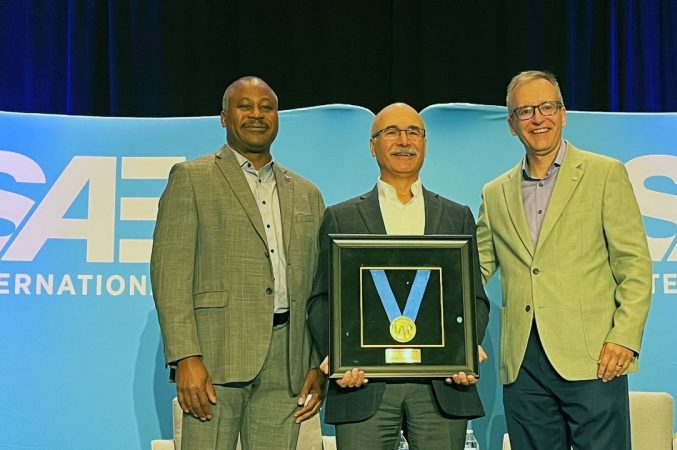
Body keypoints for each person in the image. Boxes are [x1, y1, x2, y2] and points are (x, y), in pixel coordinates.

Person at [476, 70, 652, 449]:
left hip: (593, 357)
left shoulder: (605, 174)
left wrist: (624, 337)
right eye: (525, 111)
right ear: (511, 125)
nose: (538, 118)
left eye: (547, 107)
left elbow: (634, 265)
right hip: (522, 364)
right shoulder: (495, 194)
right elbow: (472, 271)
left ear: (563, 113)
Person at [151, 76, 325, 450]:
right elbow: (170, 276)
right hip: (215, 356)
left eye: (266, 107)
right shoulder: (191, 178)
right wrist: (185, 356)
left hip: (289, 362)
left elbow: (316, 286)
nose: (257, 114)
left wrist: (315, 360)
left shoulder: (308, 193)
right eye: (244, 106)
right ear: (224, 117)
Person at [306, 103, 490, 450]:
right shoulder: (341, 217)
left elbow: (474, 297)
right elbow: (321, 300)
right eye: (391, 132)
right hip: (363, 386)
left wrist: (463, 351)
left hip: (441, 386)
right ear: (373, 145)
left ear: (425, 142)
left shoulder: (456, 215)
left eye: (413, 132)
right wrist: (341, 355)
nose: (403, 141)